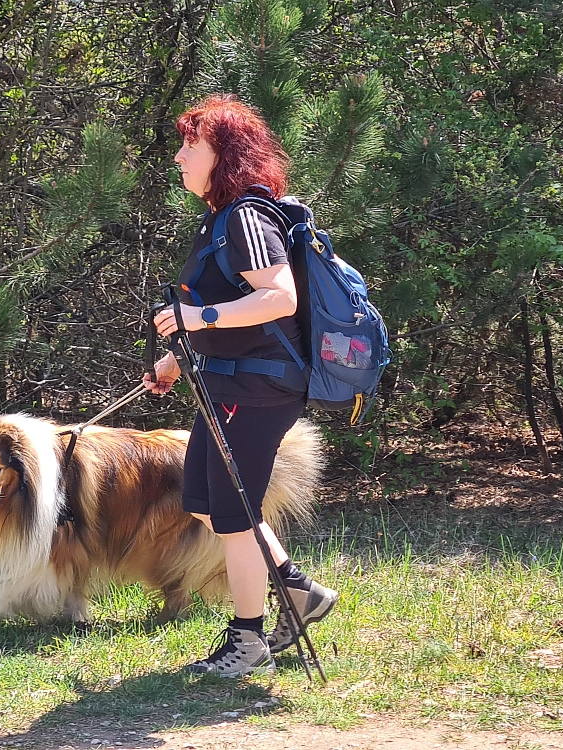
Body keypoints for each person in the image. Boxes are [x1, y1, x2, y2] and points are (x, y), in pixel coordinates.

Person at [143, 94, 338, 678]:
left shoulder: (246, 217)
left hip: (255, 390)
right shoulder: (222, 220)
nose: (179, 157)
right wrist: (181, 356)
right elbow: (231, 308)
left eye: (190, 145)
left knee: (232, 515)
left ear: (221, 154)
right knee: (207, 506)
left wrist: (194, 320)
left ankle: (247, 641)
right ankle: (296, 590)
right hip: (229, 384)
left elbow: (278, 297)